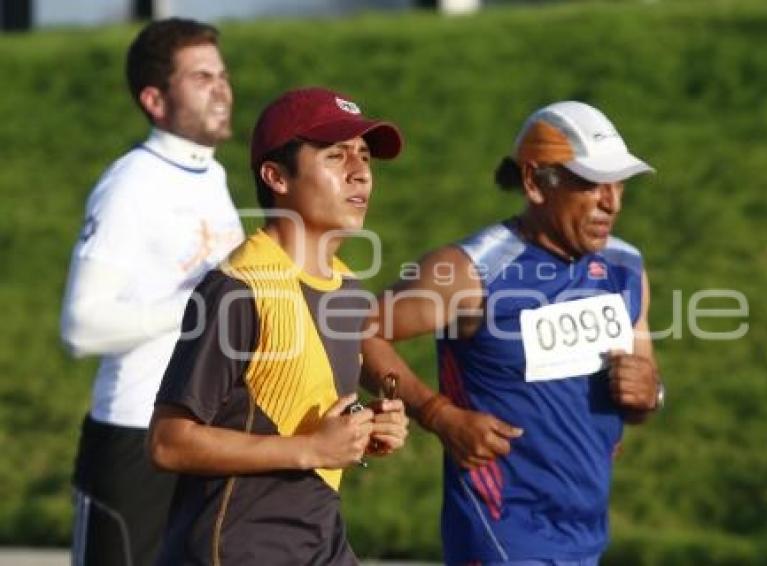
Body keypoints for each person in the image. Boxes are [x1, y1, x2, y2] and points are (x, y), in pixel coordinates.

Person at [361, 100, 665, 565]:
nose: (612, 202)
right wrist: (440, 416)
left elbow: (643, 394)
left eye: (618, 182)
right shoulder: (470, 271)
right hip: (502, 532)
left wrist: (650, 394)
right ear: (534, 181)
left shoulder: (626, 267)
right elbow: (358, 334)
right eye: (589, 183)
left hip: (587, 535)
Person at [147, 87, 410, 565]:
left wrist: (365, 429)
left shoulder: (348, 289)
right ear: (276, 176)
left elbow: (297, 418)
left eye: (366, 157)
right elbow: (169, 442)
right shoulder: (237, 289)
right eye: (336, 155)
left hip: (319, 542)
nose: (361, 173)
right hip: (236, 548)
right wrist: (311, 448)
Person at [59, 18, 243, 566]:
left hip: (202, 436)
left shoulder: (213, 179)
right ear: (155, 99)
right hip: (133, 439)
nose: (222, 88)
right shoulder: (131, 184)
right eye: (201, 76)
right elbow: (80, 328)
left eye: (223, 74)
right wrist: (197, 305)